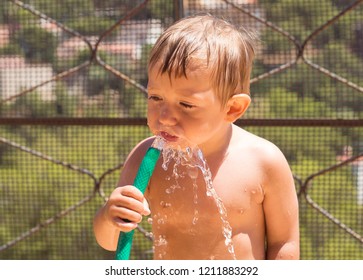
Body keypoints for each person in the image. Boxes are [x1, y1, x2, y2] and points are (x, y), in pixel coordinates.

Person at [93, 13, 299, 260]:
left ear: (232, 109)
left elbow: (284, 244)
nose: (166, 117)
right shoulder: (145, 158)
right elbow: (110, 241)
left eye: (186, 104)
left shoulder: (264, 161)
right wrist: (109, 216)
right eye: (156, 98)